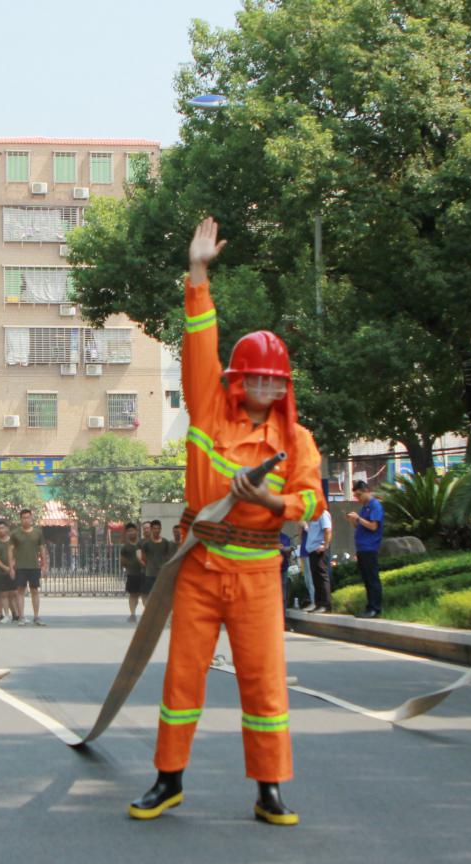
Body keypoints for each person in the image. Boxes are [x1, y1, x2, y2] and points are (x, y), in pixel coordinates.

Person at [129, 217, 323, 827]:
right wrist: (198, 273)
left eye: (273, 379)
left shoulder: (297, 439)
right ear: (237, 379)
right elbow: (199, 346)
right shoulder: (208, 409)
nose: (264, 386)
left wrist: (273, 505)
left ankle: (270, 788)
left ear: (283, 384)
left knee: (265, 686)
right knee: (182, 678)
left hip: (261, 573)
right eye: (254, 376)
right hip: (201, 564)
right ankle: (168, 780)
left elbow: (312, 502)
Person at [347, 480, 383, 617]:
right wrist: (354, 521)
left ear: (367, 490)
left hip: (370, 547)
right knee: (366, 579)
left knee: (372, 579)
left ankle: (375, 608)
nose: (358, 498)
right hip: (362, 547)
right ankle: (369, 607)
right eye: (356, 496)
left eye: (359, 495)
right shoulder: (365, 507)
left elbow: (373, 526)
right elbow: (362, 527)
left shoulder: (375, 506)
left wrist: (358, 519)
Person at [9, 507, 48, 626]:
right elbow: (10, 550)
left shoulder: (38, 532)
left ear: (31, 518)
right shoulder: (15, 533)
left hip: (34, 566)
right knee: (20, 591)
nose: (26, 520)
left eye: (28, 517)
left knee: (34, 591)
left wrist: (44, 565)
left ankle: (36, 617)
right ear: (20, 519)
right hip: (20, 567)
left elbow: (42, 549)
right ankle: (21, 617)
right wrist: (11, 567)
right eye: (23, 518)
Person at [301, 489, 332, 612]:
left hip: (319, 550)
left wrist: (325, 545)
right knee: (315, 578)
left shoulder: (323, 514)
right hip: (312, 550)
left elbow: (327, 530)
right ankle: (319, 603)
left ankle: (325, 604)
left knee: (322, 577)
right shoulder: (314, 516)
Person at [138, 520, 174, 600]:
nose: (156, 530)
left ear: (161, 529)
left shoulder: (165, 542)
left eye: (158, 528)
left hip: (162, 574)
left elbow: (169, 557)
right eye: (154, 528)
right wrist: (151, 565)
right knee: (150, 596)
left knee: (162, 596)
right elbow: (144, 558)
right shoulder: (146, 544)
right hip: (150, 574)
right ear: (151, 529)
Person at [120, 521, 145, 622]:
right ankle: (132, 614)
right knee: (133, 594)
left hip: (144, 573)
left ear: (137, 531)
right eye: (128, 531)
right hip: (132, 574)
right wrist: (125, 567)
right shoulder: (125, 547)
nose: (130, 533)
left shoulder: (143, 543)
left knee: (145, 594)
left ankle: (146, 615)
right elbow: (122, 560)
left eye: (132, 530)